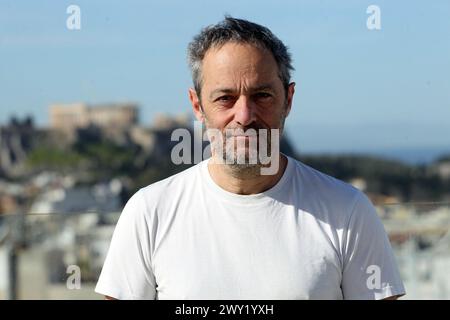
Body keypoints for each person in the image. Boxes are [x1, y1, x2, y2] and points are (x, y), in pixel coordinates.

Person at [95, 16, 405, 300]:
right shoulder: (149, 213)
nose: (244, 116)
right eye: (225, 98)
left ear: (288, 100)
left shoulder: (348, 212)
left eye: (262, 96)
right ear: (197, 105)